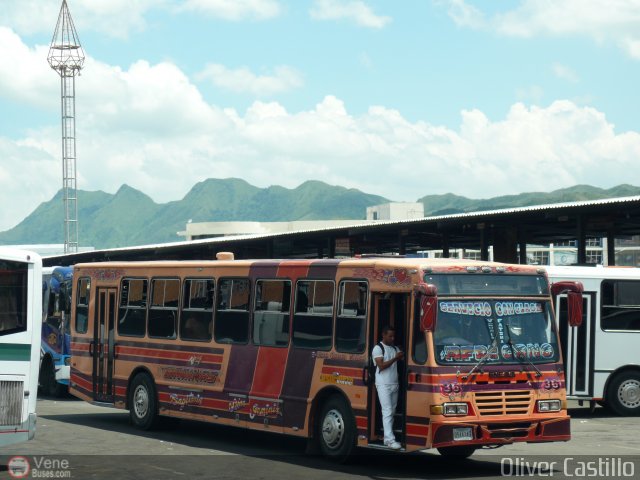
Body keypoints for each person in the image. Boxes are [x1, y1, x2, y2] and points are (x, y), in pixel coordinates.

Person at [372, 325, 404, 450]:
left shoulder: (395, 348)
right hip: (383, 384)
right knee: (387, 411)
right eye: (390, 336)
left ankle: (386, 437)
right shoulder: (378, 348)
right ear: (383, 335)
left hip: (394, 383)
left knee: (392, 412)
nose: (392, 338)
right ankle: (390, 440)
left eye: (393, 336)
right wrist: (396, 357)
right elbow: (381, 366)